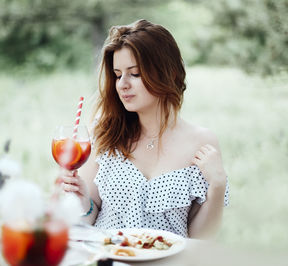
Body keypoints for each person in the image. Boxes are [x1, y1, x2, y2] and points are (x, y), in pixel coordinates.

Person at [59, 19, 229, 239]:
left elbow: (200, 239)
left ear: (170, 74)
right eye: (118, 75)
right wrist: (83, 201)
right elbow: (88, 220)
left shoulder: (202, 143)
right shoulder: (104, 134)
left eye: (135, 73)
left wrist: (217, 185)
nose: (122, 84)